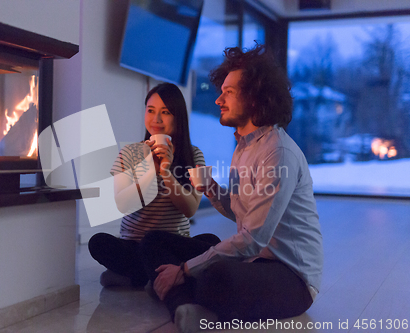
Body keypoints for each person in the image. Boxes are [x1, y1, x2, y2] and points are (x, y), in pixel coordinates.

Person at [139, 45, 324, 331]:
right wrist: (212, 190)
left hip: (291, 278)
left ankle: (176, 296)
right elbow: (241, 212)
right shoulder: (243, 145)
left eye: (228, 93)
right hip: (253, 261)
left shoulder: (278, 152)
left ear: (254, 97)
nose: (218, 100)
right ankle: (187, 305)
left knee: (215, 274)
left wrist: (185, 269)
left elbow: (252, 238)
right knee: (155, 241)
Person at [88, 83, 220, 288]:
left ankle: (137, 277)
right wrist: (150, 169)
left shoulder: (193, 154)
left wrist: (166, 172)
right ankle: (167, 274)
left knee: (212, 241)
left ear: (178, 117)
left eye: (165, 112)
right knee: (98, 242)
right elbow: (123, 204)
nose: (156, 119)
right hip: (135, 244)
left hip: (170, 244)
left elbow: (191, 209)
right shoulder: (130, 153)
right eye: (150, 111)